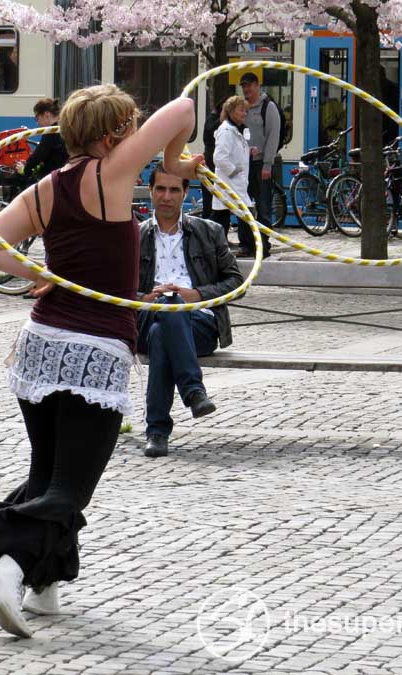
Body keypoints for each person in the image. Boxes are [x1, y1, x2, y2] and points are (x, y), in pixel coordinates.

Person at [0, 85, 200, 639]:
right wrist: (171, 160)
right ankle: (9, 568)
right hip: (94, 349)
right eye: (130, 128)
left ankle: (44, 587)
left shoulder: (46, 189)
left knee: (47, 472)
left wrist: (40, 276)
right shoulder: (112, 173)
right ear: (115, 135)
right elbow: (184, 106)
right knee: (72, 488)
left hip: (41, 347)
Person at [136, 164, 243, 458]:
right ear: (150, 191)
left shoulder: (209, 232)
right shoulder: (134, 235)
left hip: (200, 324)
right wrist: (145, 297)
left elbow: (236, 281)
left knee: (164, 329)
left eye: (174, 190)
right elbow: (114, 288)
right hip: (147, 316)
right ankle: (193, 391)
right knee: (164, 315)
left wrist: (197, 294)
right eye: (160, 189)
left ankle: (157, 432)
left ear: (185, 193)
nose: (166, 197)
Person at [212, 95, 256, 256]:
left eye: (245, 110)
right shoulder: (226, 131)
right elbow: (219, 157)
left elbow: (233, 153)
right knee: (242, 213)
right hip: (229, 181)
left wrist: (248, 152)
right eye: (241, 110)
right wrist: (234, 170)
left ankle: (217, 246)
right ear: (231, 112)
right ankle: (246, 246)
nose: (245, 113)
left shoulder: (236, 130)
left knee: (224, 214)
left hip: (235, 182)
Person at [239, 72, 281, 236]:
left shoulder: (268, 107)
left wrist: (267, 164)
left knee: (263, 207)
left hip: (260, 164)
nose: (246, 89)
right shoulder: (242, 107)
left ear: (257, 85)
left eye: (249, 85)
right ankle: (246, 244)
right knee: (243, 205)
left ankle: (263, 244)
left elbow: (273, 136)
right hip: (244, 165)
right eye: (243, 86)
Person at [15, 98, 68, 180]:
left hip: (53, 178)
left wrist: (24, 169)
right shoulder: (63, 128)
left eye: (37, 118)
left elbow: (38, 156)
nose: (37, 123)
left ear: (46, 114)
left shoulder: (50, 133)